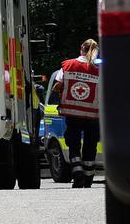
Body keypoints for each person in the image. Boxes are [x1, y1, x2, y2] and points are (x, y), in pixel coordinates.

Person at [52, 38, 101, 188]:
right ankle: (88, 179)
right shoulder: (100, 68)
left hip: (72, 113)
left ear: (81, 49)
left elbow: (57, 85)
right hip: (93, 115)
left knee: (73, 143)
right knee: (90, 144)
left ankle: (77, 172)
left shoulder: (68, 65)